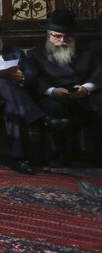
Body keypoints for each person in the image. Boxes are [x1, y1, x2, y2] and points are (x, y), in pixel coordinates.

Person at [0, 18, 68, 175]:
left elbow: (32, 74)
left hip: (15, 100)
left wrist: (22, 77)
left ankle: (18, 160)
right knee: (1, 82)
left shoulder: (15, 53)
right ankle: (42, 119)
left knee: (12, 107)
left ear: (2, 38)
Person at [23, 10, 102, 167]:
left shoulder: (88, 52)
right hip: (54, 95)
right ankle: (60, 155)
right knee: (53, 109)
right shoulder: (35, 55)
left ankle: (96, 155)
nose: (62, 41)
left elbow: (100, 71)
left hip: (84, 94)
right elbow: (33, 79)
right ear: (48, 36)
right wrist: (52, 91)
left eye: (67, 36)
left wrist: (86, 88)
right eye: (57, 36)